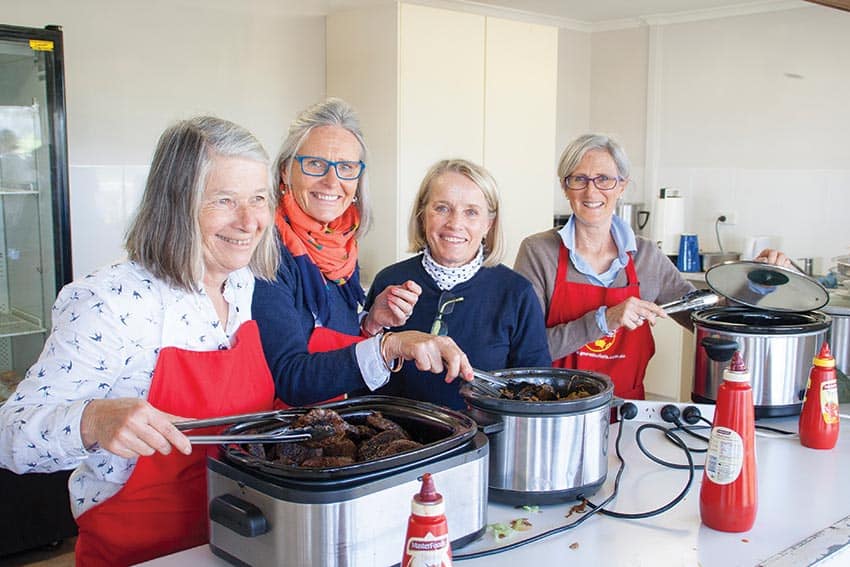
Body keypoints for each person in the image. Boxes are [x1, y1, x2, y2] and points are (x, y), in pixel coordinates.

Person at [0, 116, 279, 565]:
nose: (249, 222)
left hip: (240, 540)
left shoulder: (240, 283)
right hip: (140, 552)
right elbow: (9, 435)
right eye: (224, 200)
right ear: (175, 204)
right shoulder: (108, 303)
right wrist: (92, 420)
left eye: (259, 200)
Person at [514, 133, 795, 400]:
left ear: (622, 185)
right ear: (565, 186)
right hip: (554, 413)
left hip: (627, 413)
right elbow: (526, 351)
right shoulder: (539, 252)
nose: (591, 190)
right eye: (579, 179)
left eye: (604, 179)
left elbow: (705, 322)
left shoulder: (646, 255)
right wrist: (604, 320)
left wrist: (754, 286)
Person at [253, 99, 473, 407]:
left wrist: (369, 325)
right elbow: (290, 378)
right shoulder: (267, 253)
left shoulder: (342, 249)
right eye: (315, 164)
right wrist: (389, 345)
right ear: (285, 171)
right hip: (281, 440)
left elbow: (332, 347)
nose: (332, 181)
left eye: (346, 168)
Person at [365, 159, 551, 409]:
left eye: (471, 212)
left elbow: (535, 396)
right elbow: (360, 379)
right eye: (442, 208)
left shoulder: (517, 294)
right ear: (423, 216)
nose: (454, 223)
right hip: (397, 443)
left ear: (489, 224)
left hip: (486, 443)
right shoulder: (389, 283)